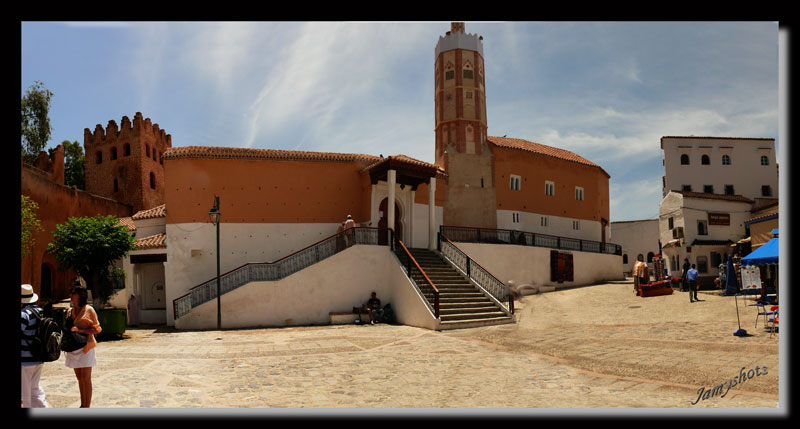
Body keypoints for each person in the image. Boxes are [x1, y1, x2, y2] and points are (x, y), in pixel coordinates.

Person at [66, 284, 102, 407]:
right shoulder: (69, 311)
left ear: (81, 295)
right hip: (73, 348)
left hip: (86, 347)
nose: (71, 295)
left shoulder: (89, 310)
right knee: (79, 378)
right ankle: (82, 405)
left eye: (73, 293)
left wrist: (80, 331)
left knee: (86, 379)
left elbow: (97, 329)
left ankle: (87, 406)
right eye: (70, 292)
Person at [21, 284, 49, 408]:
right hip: (38, 356)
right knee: (35, 390)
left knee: (24, 394)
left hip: (25, 359)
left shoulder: (24, 314)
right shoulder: (40, 311)